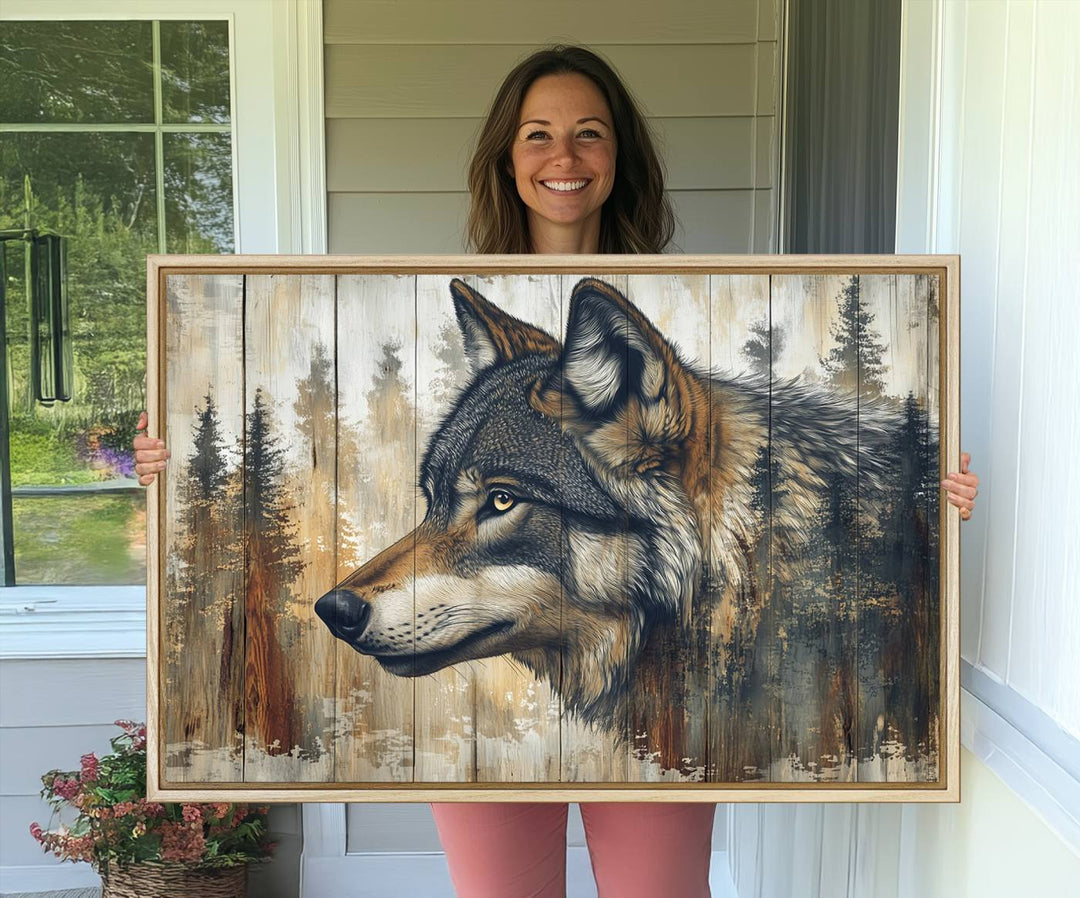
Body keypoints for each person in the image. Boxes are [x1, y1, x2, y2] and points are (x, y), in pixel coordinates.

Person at [133, 45, 980, 898]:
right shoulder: (490, 342)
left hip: (660, 691)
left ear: (619, 160)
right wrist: (165, 467)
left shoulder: (701, 312)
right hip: (488, 719)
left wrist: (927, 501)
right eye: (537, 135)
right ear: (508, 158)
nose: (563, 157)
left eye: (588, 134)